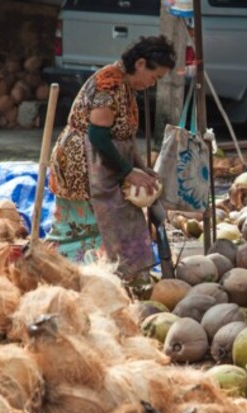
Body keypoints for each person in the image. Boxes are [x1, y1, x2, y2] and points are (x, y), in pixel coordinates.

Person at [47, 35, 176, 287]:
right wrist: (128, 172)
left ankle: (113, 280)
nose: (152, 84)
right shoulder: (109, 84)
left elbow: (121, 135)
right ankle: (61, 277)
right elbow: (98, 135)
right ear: (140, 64)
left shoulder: (124, 84)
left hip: (103, 163)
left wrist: (138, 167)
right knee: (85, 228)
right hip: (82, 166)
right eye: (155, 77)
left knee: (111, 224)